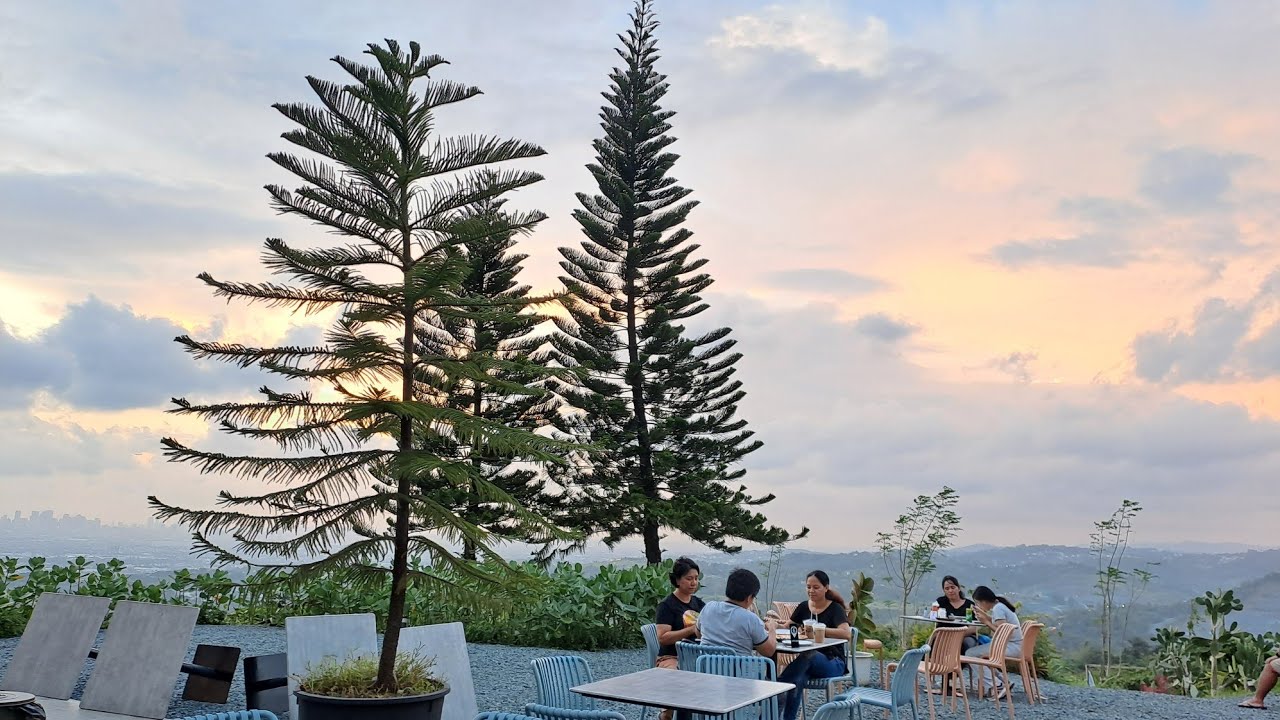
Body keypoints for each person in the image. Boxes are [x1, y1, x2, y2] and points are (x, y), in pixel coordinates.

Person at [698, 568, 808, 720]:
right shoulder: (750, 618)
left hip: (707, 673)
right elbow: (769, 651)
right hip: (739, 678)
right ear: (750, 598)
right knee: (779, 695)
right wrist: (772, 629)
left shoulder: (708, 608)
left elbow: (699, 633)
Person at [778, 571, 853, 718]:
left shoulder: (835, 609)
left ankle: (778, 685)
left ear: (826, 588)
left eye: (816, 587)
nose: (811, 591)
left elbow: (846, 633)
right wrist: (774, 626)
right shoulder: (804, 606)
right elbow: (790, 626)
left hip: (833, 662)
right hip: (807, 664)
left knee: (809, 655)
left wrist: (820, 630)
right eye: (808, 587)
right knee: (796, 680)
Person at [654, 557, 705, 720]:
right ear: (677, 580)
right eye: (689, 579)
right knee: (681, 681)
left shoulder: (699, 604)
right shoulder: (667, 605)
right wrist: (691, 629)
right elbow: (663, 638)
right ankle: (667, 714)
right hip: (671, 657)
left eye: (696, 578)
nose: (693, 583)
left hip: (697, 656)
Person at [963, 585, 1023, 699]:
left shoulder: (998, 609)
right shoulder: (1000, 606)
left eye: (978, 603)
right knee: (977, 653)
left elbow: (1003, 633)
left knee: (970, 654)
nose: (978, 605)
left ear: (984, 601)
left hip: (1011, 647)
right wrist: (985, 617)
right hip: (1015, 645)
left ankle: (997, 685)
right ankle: (1003, 681)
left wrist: (985, 621)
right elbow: (999, 624)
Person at [936, 575, 978, 651]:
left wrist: (956, 636)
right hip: (944, 635)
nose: (950, 591)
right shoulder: (941, 602)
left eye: (952, 587)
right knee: (931, 642)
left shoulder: (969, 605)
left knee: (968, 643)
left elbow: (972, 628)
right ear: (944, 591)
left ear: (958, 588)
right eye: (947, 588)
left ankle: (965, 662)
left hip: (965, 636)